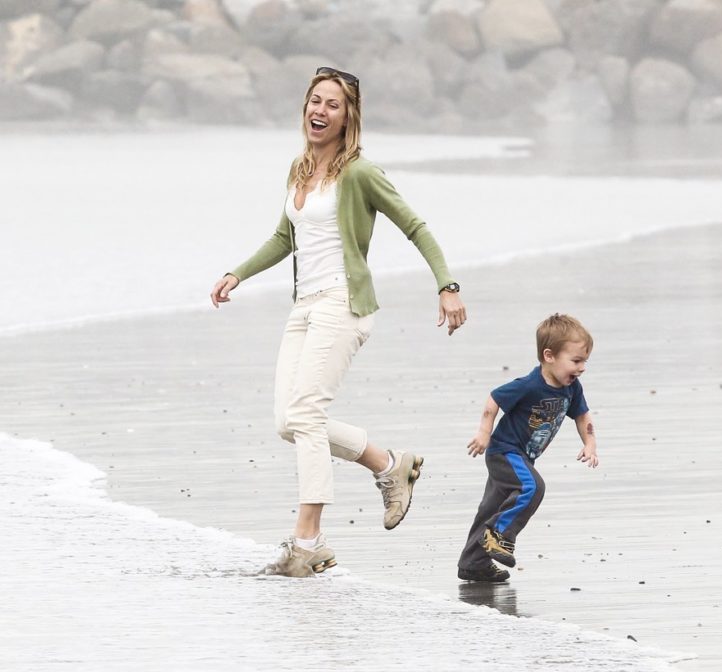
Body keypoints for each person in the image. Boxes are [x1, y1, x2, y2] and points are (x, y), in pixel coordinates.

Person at [209, 67, 467, 577]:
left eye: (332, 104)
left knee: (305, 413)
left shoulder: (360, 173)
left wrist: (447, 285)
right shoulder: (300, 170)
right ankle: (391, 466)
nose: (319, 111)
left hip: (343, 304)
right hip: (304, 306)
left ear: (349, 116)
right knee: (289, 422)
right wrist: (237, 272)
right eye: (314, 101)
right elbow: (285, 239)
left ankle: (309, 542)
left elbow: (415, 226)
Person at [457, 314, 598, 583]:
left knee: (491, 507)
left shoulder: (572, 389)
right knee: (531, 488)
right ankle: (498, 534)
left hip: (523, 457)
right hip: (504, 452)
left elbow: (583, 416)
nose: (581, 368)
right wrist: (484, 434)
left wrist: (590, 444)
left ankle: (473, 564)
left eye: (584, 362)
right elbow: (493, 399)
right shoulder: (529, 385)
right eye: (576, 361)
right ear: (549, 356)